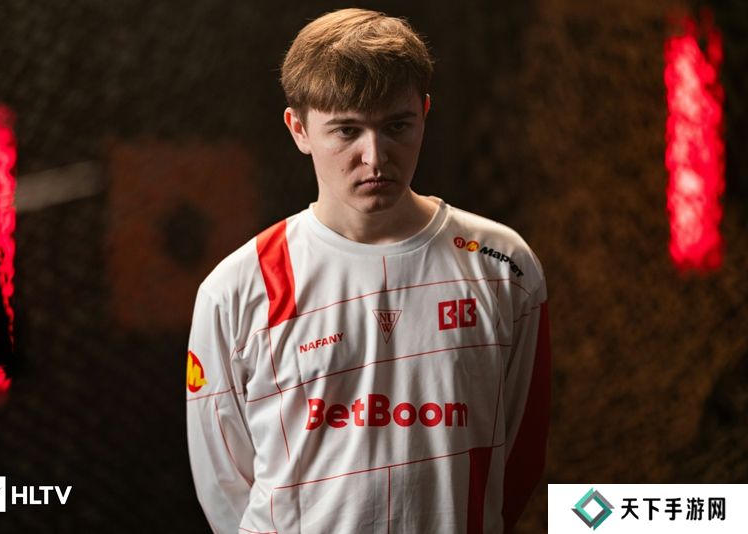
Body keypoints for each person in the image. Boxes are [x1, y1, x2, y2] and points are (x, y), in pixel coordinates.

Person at [186, 8, 550, 534]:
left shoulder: (502, 264)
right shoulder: (238, 289)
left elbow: (519, 454)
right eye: (346, 130)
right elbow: (224, 486)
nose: (375, 157)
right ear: (298, 129)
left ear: (425, 113)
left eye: (396, 126)